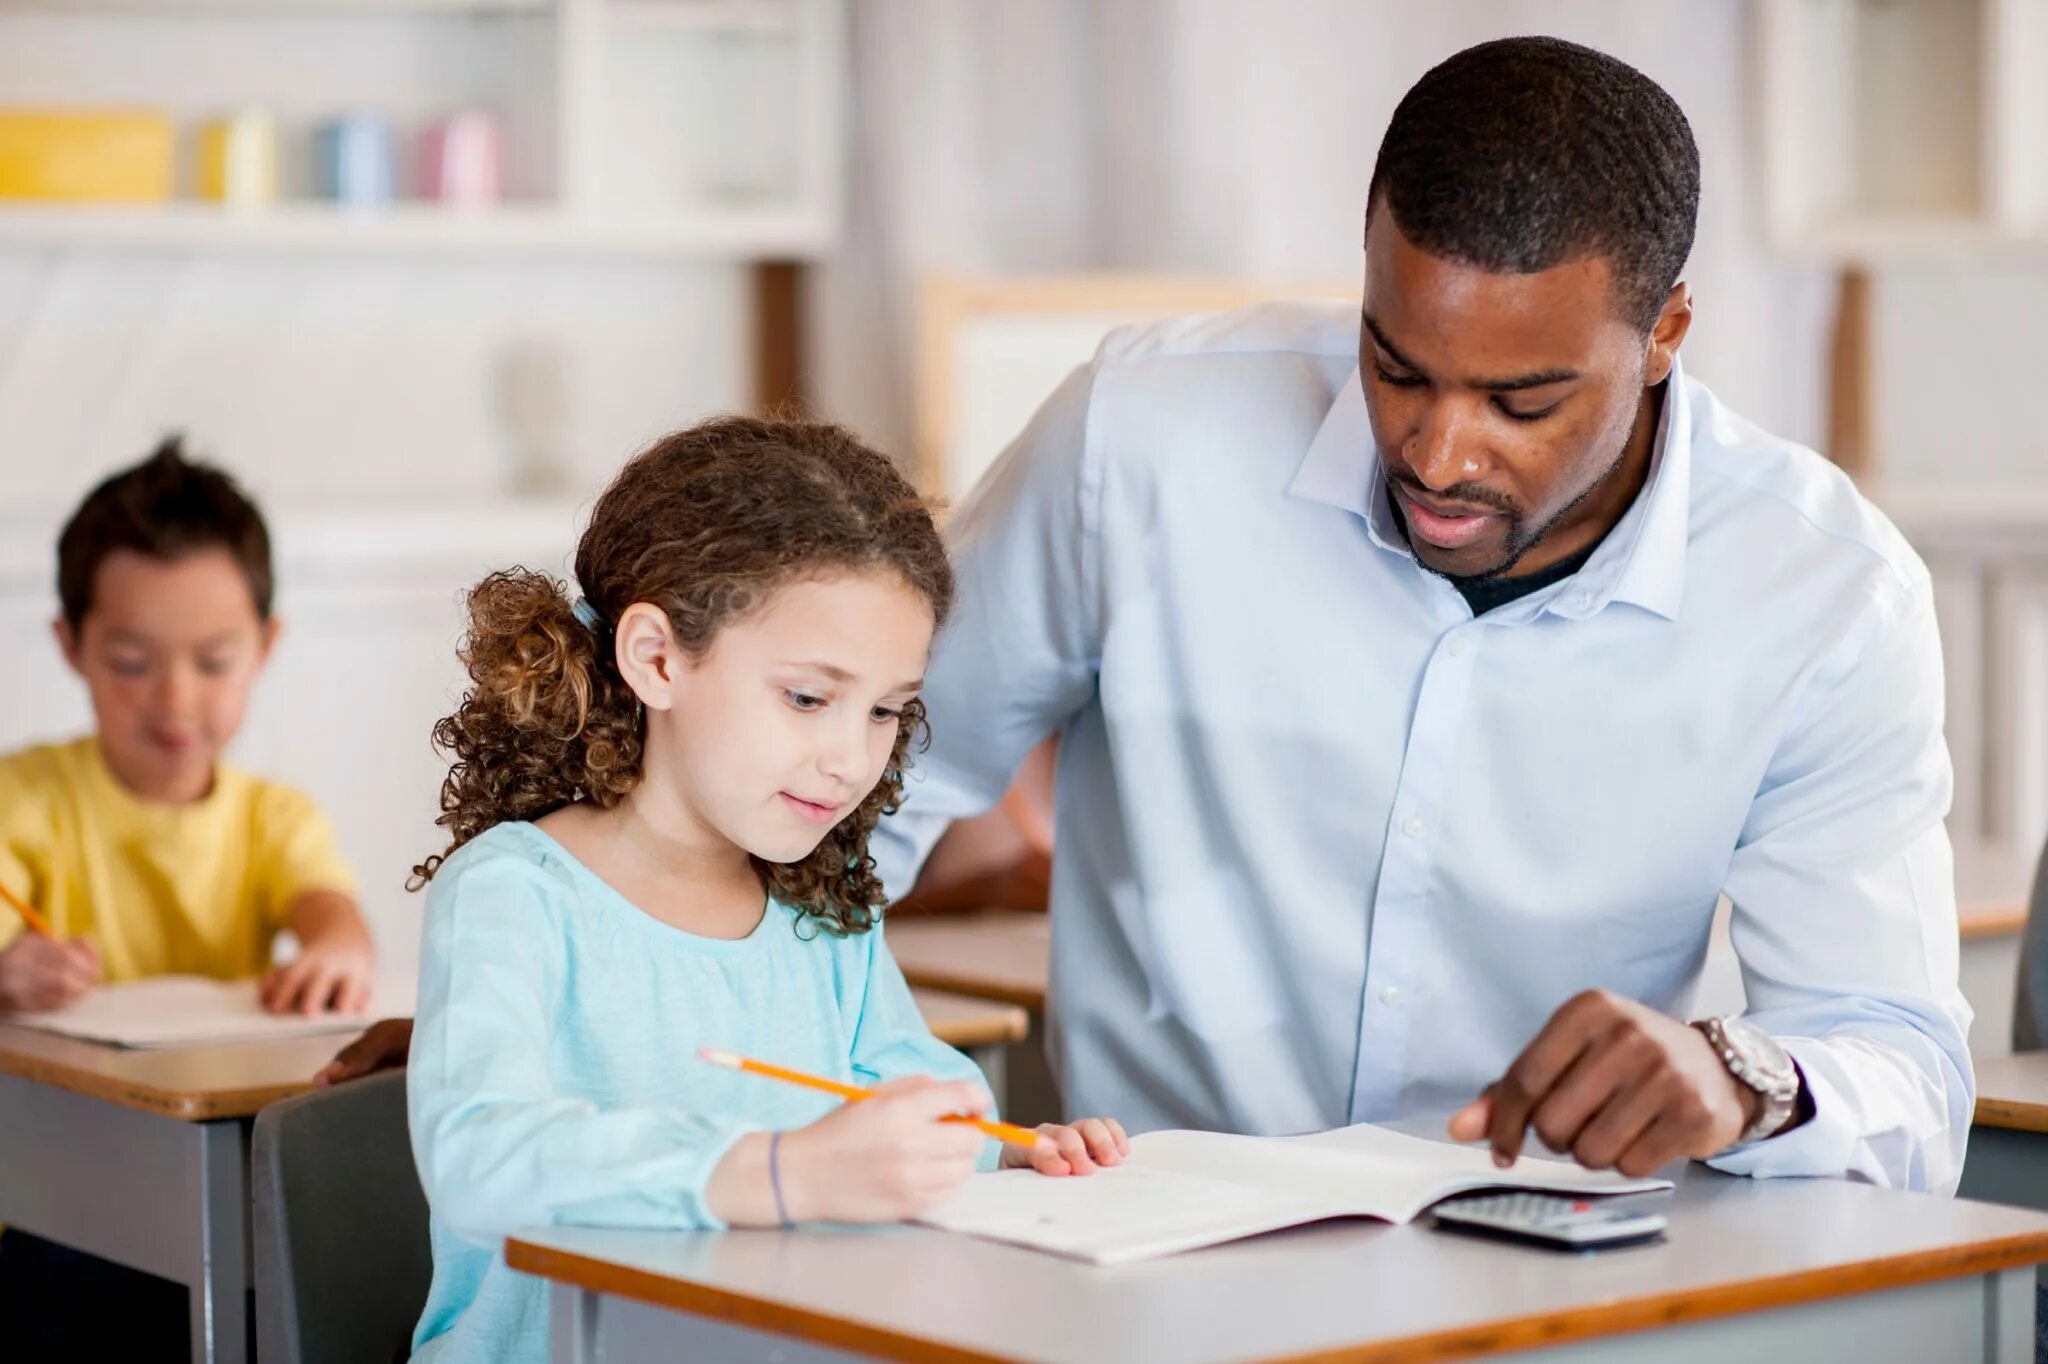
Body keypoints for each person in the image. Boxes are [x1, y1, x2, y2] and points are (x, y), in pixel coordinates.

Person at [870, 36, 1972, 1192]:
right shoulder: (1134, 440)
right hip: (1149, 1256)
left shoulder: (1823, 595)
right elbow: (851, 790)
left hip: (1549, 1273)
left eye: (1520, 400)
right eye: (1394, 367)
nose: (1436, 454)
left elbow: (1904, 1072)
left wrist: (1739, 1077)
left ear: (1662, 335)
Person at [405, 417, 1127, 1363]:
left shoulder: (820, 913)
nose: (850, 758)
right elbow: (479, 1159)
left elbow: (914, 1078)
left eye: (884, 712)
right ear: (657, 659)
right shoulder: (515, 894)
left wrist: (999, 1145)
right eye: (806, 698)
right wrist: (775, 1173)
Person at [0, 435, 374, 1357]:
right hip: (63, 1184)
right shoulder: (26, 799)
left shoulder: (271, 816)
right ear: (70, 646)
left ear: (266, 647)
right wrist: (9, 968)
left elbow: (327, 905)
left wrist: (337, 949)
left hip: (221, 1172)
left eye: (213, 661)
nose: (173, 699)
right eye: (131, 661)